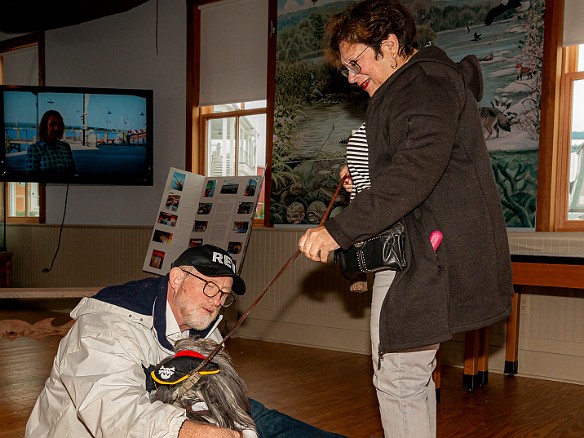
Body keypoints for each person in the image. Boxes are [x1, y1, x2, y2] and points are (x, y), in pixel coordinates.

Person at [297, 1, 514, 437]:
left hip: (427, 256)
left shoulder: (426, 83)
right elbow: (417, 163)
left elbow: (415, 171)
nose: (354, 77)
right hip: (418, 252)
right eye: (346, 69)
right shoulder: (413, 85)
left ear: (390, 44)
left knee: (400, 376)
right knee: (402, 376)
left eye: (356, 63)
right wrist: (364, 172)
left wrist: (337, 231)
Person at [26, 244, 345, 438]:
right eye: (209, 286)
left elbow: (218, 400)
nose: (217, 300)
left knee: (258, 416)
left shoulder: (204, 328)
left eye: (224, 293)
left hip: (166, 416)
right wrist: (187, 431)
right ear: (177, 278)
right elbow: (113, 414)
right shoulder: (107, 326)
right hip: (105, 429)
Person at [25, 109, 76, 173]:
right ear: (44, 126)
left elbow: (73, 171)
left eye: (59, 125)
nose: (56, 128)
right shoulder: (34, 149)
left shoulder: (65, 147)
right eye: (52, 125)